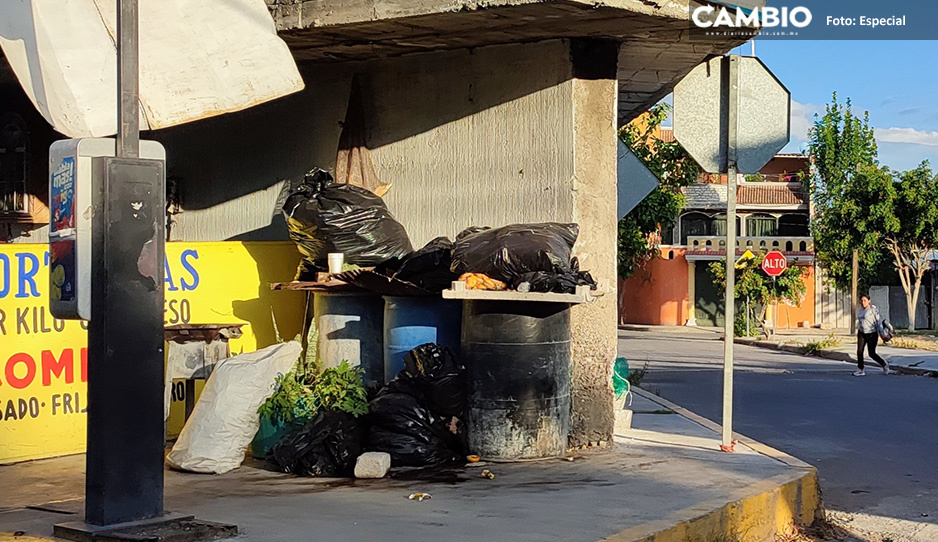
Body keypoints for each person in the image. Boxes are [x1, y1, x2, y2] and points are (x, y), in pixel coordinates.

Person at [855, 294, 894, 376]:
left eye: (865, 301)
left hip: (871, 333)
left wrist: (882, 334)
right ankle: (860, 369)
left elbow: (879, 322)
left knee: (871, 353)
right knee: (859, 351)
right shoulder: (861, 310)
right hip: (862, 333)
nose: (863, 302)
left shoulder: (873, 310)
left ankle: (884, 364)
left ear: (869, 301)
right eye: (861, 301)